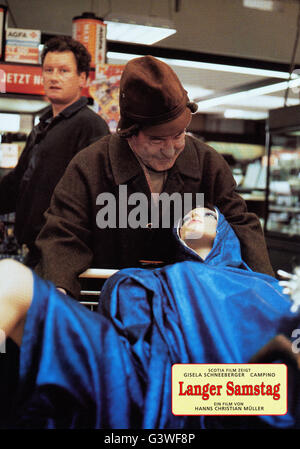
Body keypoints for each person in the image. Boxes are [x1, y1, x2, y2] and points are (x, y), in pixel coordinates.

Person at [0, 207, 299, 429]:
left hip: (239, 388)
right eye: (185, 219)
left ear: (225, 230)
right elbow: (121, 330)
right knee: (9, 279)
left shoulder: (268, 287)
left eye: (207, 213)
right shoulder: (145, 278)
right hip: (139, 373)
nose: (193, 215)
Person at [34, 54, 274, 299]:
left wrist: (268, 294)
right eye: (156, 139)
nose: (170, 149)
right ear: (129, 133)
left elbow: (241, 223)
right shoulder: (90, 165)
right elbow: (63, 231)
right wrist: (58, 292)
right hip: (107, 304)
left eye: (179, 135)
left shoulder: (207, 163)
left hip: (187, 308)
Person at [0, 35, 110, 267]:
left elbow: (97, 194)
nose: (54, 77)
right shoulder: (43, 126)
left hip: (61, 254)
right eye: (48, 70)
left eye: (63, 71)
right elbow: (18, 183)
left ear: (82, 78)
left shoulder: (90, 126)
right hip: (33, 251)